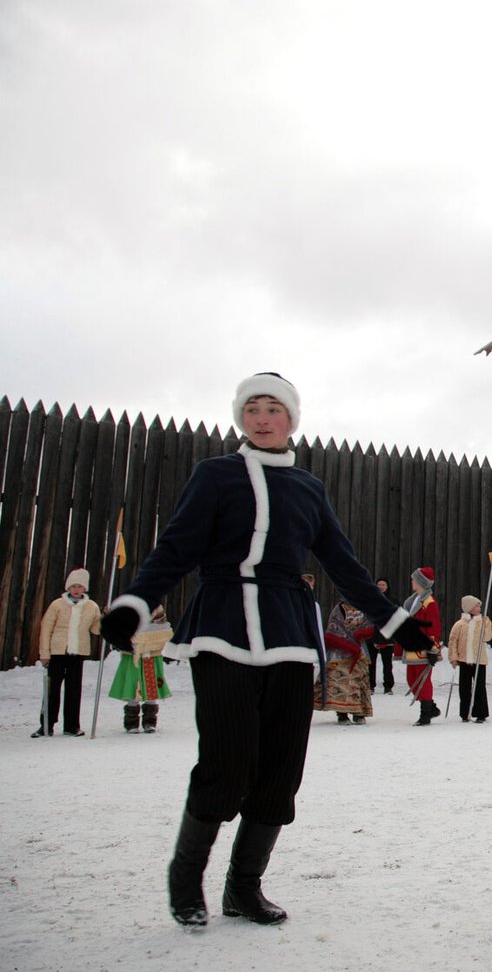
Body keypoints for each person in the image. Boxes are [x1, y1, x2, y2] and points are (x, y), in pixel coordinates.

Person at [98, 372, 431, 927]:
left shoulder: (308, 488)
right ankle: (186, 880)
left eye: (273, 408)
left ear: (291, 420)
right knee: (227, 763)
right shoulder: (214, 475)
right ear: (241, 418)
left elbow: (343, 565)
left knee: (280, 770)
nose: (262, 417)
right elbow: (176, 546)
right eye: (252, 408)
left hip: (289, 636)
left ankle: (243, 887)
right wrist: (134, 603)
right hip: (222, 626)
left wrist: (397, 623)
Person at [34, 568, 102, 737]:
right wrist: (44, 653)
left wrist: (105, 618)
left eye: (79, 586)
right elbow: (46, 628)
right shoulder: (57, 605)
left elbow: (96, 630)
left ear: (84, 588)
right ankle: (46, 725)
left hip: (78, 652)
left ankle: (72, 725)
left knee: (74, 689)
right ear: (68, 587)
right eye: (73, 586)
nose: (76, 589)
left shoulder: (91, 607)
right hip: (58, 651)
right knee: (52, 689)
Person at [109, 605, 172, 733]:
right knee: (133, 686)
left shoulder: (156, 607)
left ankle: (150, 721)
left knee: (151, 686)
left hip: (151, 657)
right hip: (134, 658)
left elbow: (164, 630)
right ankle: (131, 722)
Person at [316, 599, 372, 724]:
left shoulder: (363, 607)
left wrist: (362, 632)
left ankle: (359, 712)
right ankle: (342, 713)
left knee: (359, 681)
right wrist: (346, 641)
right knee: (341, 682)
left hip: (359, 649)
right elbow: (333, 627)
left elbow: (369, 624)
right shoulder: (339, 608)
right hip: (341, 650)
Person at [399, 568, 442, 726]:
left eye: (414, 579)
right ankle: (431, 708)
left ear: (421, 582)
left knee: (423, 681)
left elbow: (433, 627)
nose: (412, 582)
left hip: (423, 648)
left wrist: (432, 649)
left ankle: (425, 714)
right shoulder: (414, 601)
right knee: (412, 680)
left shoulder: (429, 603)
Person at [447, 594, 491, 723]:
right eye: (477, 605)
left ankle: (481, 712)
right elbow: (453, 641)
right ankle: (465, 713)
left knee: (479, 687)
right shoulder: (460, 624)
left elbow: (487, 637)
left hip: (479, 660)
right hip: (464, 660)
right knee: (464, 688)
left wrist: (485, 625)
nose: (479, 608)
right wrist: (453, 658)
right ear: (470, 608)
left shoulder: (484, 621)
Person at [367, 578, 396, 694]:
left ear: (387, 586)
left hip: (387, 636)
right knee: (371, 663)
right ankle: (370, 685)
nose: (381, 586)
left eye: (383, 584)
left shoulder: (393, 601)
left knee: (387, 663)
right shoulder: (370, 600)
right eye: (379, 584)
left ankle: (388, 686)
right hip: (372, 636)